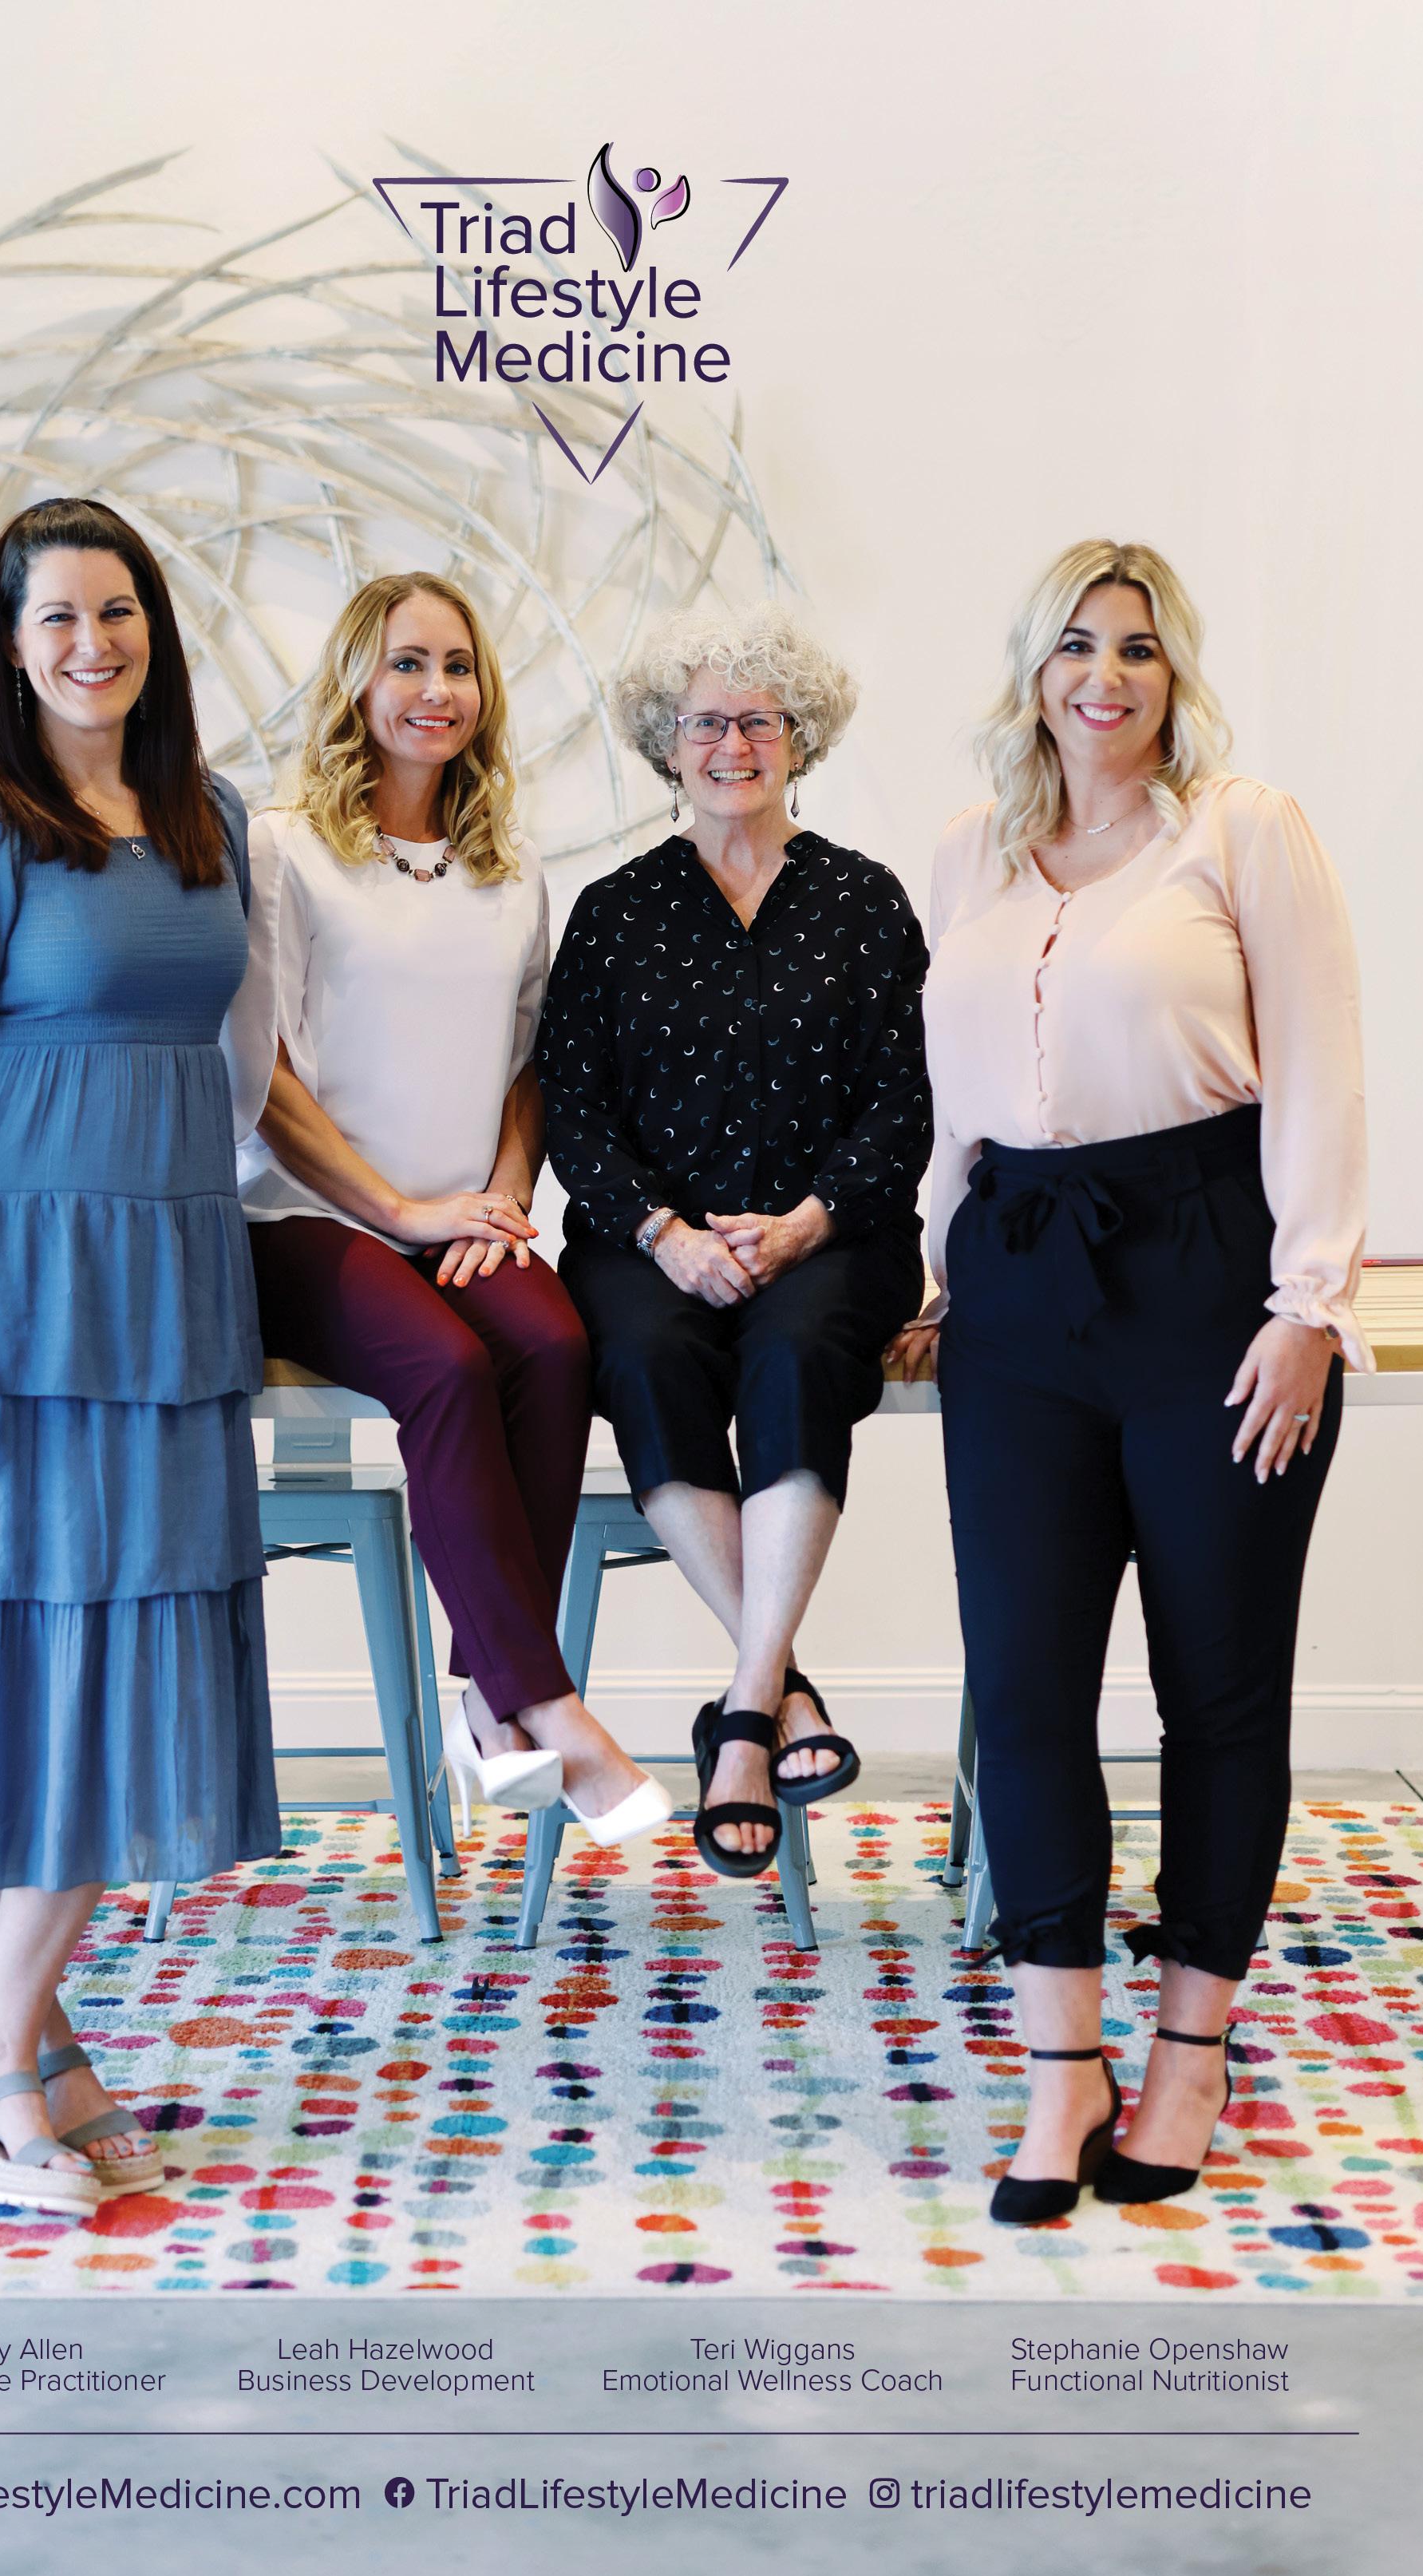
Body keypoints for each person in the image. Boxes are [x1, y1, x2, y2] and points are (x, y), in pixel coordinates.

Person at [893, 538, 1370, 2222]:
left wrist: (1307, 1300)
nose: (1105, 676)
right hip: (1016, 1286)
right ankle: (1060, 2068)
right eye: (1076, 646)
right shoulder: (968, 853)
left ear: (1176, 675)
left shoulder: (1238, 828)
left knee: (1215, 1690)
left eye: (1139, 648)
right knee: (1024, 1685)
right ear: (1031, 671)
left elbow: (1320, 1063)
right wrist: (934, 1265)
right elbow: (952, 1094)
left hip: (1208, 1274)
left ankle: (1189, 2049)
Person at [0, 497, 279, 2212]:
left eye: (117, 612)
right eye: (57, 620)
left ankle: (25, 2053)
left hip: (162, 1290)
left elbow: (250, 1070)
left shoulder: (208, 817)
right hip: (3, 1302)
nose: (92, 644)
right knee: (19, 1672)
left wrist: (401, 1206)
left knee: (122, 1664)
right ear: (11, 650)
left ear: (153, 629)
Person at [220, 572, 670, 1846]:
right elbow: (265, 1078)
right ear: (355, 683)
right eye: (407, 663)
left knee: (556, 1345)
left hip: (463, 1214)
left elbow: (533, 1064)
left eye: (458, 666)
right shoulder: (283, 849)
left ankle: (487, 1700)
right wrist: (398, 1210)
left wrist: (508, 1195)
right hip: (304, 1220)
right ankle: (547, 1703)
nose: (436, 691)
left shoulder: (509, 869)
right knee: (446, 1366)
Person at [539, 604, 932, 1881]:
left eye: (760, 721)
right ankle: (780, 1697)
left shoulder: (866, 901)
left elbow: (907, 1102)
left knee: (801, 1353)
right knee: (648, 1357)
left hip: (834, 1235)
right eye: (706, 722)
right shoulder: (613, 912)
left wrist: (807, 1223)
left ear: (799, 740)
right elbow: (573, 1110)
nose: (733, 745)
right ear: (668, 744)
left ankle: (744, 1711)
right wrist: (664, 1235)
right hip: (647, 1244)